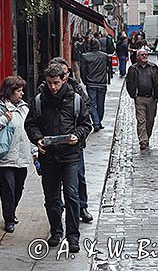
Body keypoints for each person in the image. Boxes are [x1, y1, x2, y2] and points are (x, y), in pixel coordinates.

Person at [25, 63, 92, 253]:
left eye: (56, 82)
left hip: (70, 156)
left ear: (64, 79)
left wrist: (77, 136)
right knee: (52, 197)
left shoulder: (76, 99)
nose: (53, 87)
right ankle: (56, 231)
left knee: (72, 195)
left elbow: (86, 124)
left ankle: (73, 236)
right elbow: (30, 125)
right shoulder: (39, 100)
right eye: (49, 83)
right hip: (48, 157)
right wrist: (37, 139)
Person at [48, 57, 94, 224]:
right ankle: (58, 209)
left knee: (78, 177)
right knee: (53, 185)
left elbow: (86, 109)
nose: (64, 76)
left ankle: (82, 207)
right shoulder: (43, 92)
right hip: (52, 148)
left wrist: (77, 134)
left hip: (74, 146)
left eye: (66, 73)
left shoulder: (76, 89)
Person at [0, 76, 31, 233]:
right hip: (3, 156)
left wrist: (35, 150)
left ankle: (11, 211)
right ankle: (9, 219)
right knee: (8, 188)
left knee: (19, 188)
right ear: (9, 92)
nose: (22, 94)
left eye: (21, 90)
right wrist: (3, 119)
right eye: (18, 91)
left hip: (22, 155)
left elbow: (30, 131)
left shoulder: (25, 108)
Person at [125, 48, 158, 150]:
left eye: (145, 54)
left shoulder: (153, 67)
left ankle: (147, 137)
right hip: (139, 98)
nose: (144, 56)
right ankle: (143, 141)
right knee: (141, 120)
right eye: (142, 55)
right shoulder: (133, 69)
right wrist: (133, 95)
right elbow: (129, 83)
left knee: (150, 120)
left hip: (151, 98)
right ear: (137, 57)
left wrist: (157, 95)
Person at [80, 39, 110, 132]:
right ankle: (98, 122)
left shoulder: (85, 57)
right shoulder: (104, 56)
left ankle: (96, 122)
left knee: (92, 103)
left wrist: (85, 81)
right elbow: (107, 68)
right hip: (101, 83)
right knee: (100, 104)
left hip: (91, 83)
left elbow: (83, 71)